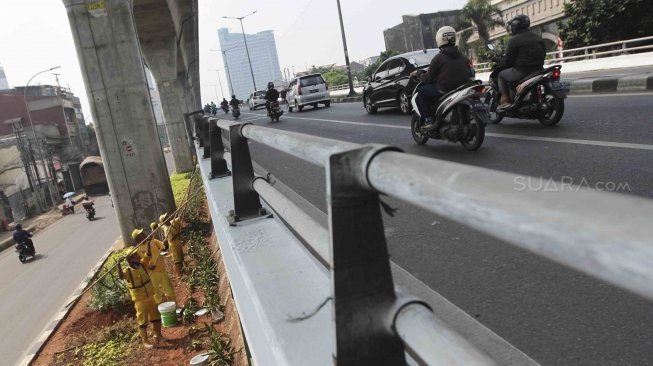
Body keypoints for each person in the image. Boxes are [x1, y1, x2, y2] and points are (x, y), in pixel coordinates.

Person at [410, 26, 473, 131]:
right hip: (463, 87)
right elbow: (470, 72)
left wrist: (418, 74)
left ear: (439, 39)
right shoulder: (462, 56)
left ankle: (428, 120)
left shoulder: (438, 58)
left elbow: (428, 78)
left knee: (421, 92)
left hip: (445, 89)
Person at [497, 14, 546, 109]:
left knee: (501, 75)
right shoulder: (537, 37)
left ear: (515, 26)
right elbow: (544, 53)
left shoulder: (514, 40)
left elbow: (508, 60)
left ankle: (505, 100)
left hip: (522, 71)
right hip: (539, 69)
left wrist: (503, 63)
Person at [117, 247, 163, 348]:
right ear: (130, 259)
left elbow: (148, 254)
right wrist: (118, 264)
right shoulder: (128, 271)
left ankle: (158, 335)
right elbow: (120, 276)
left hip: (150, 296)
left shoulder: (142, 264)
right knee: (143, 321)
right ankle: (145, 341)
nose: (137, 256)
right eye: (134, 255)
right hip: (140, 300)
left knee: (156, 316)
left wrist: (149, 243)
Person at [132, 228, 176, 305]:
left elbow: (163, 247)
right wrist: (148, 267)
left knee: (169, 290)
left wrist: (166, 238)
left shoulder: (153, 241)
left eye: (143, 233)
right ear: (137, 239)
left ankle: (173, 306)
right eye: (141, 234)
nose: (144, 234)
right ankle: (160, 309)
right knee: (156, 293)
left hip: (162, 270)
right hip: (151, 274)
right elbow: (140, 263)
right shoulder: (138, 250)